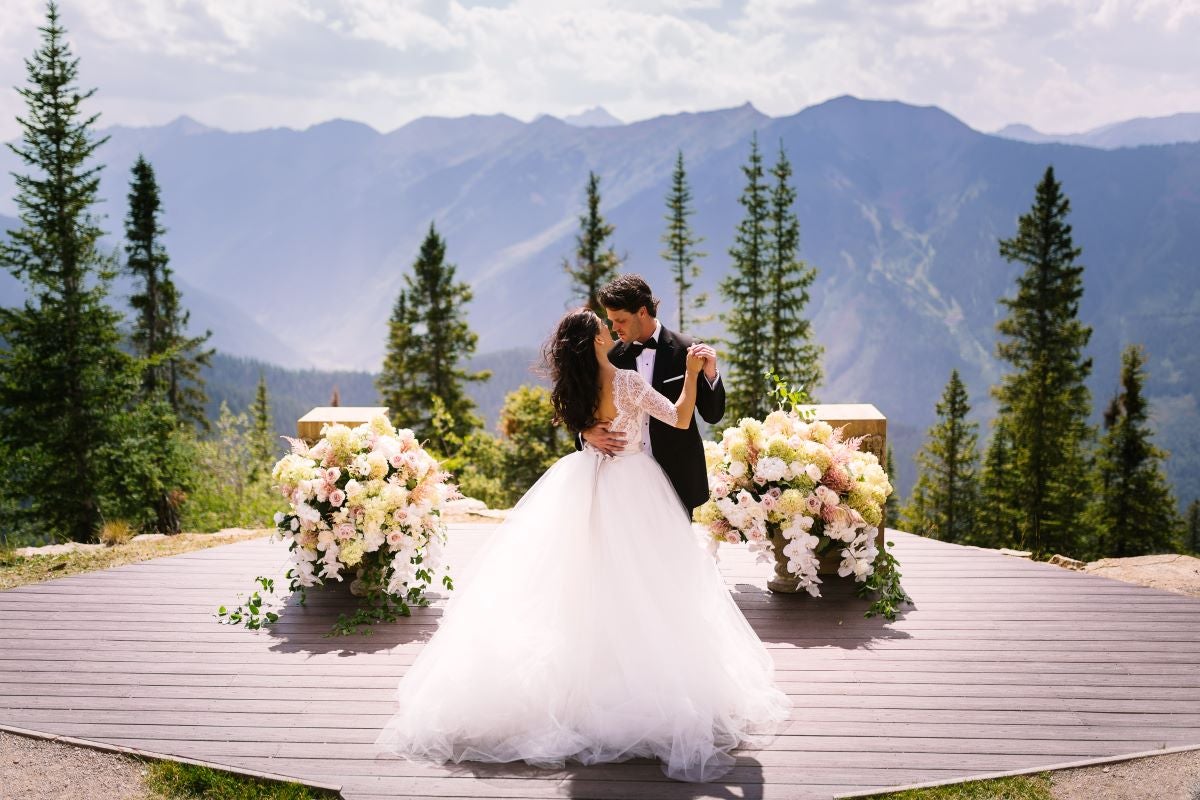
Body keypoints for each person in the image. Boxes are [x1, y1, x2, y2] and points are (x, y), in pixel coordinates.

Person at [375, 307, 789, 782]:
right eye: (602, 328)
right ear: (596, 342)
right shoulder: (628, 381)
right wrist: (692, 374)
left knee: (580, 584)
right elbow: (677, 419)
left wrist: (587, 431)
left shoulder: (576, 387)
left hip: (585, 483)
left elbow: (583, 425)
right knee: (645, 587)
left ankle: (586, 680)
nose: (610, 331)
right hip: (635, 486)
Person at [582, 274, 723, 516]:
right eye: (611, 321)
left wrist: (710, 374)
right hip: (623, 482)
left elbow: (712, 415)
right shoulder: (612, 358)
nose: (614, 329)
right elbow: (586, 406)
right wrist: (585, 434)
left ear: (643, 312)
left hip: (677, 478)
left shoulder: (687, 350)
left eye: (620, 320)